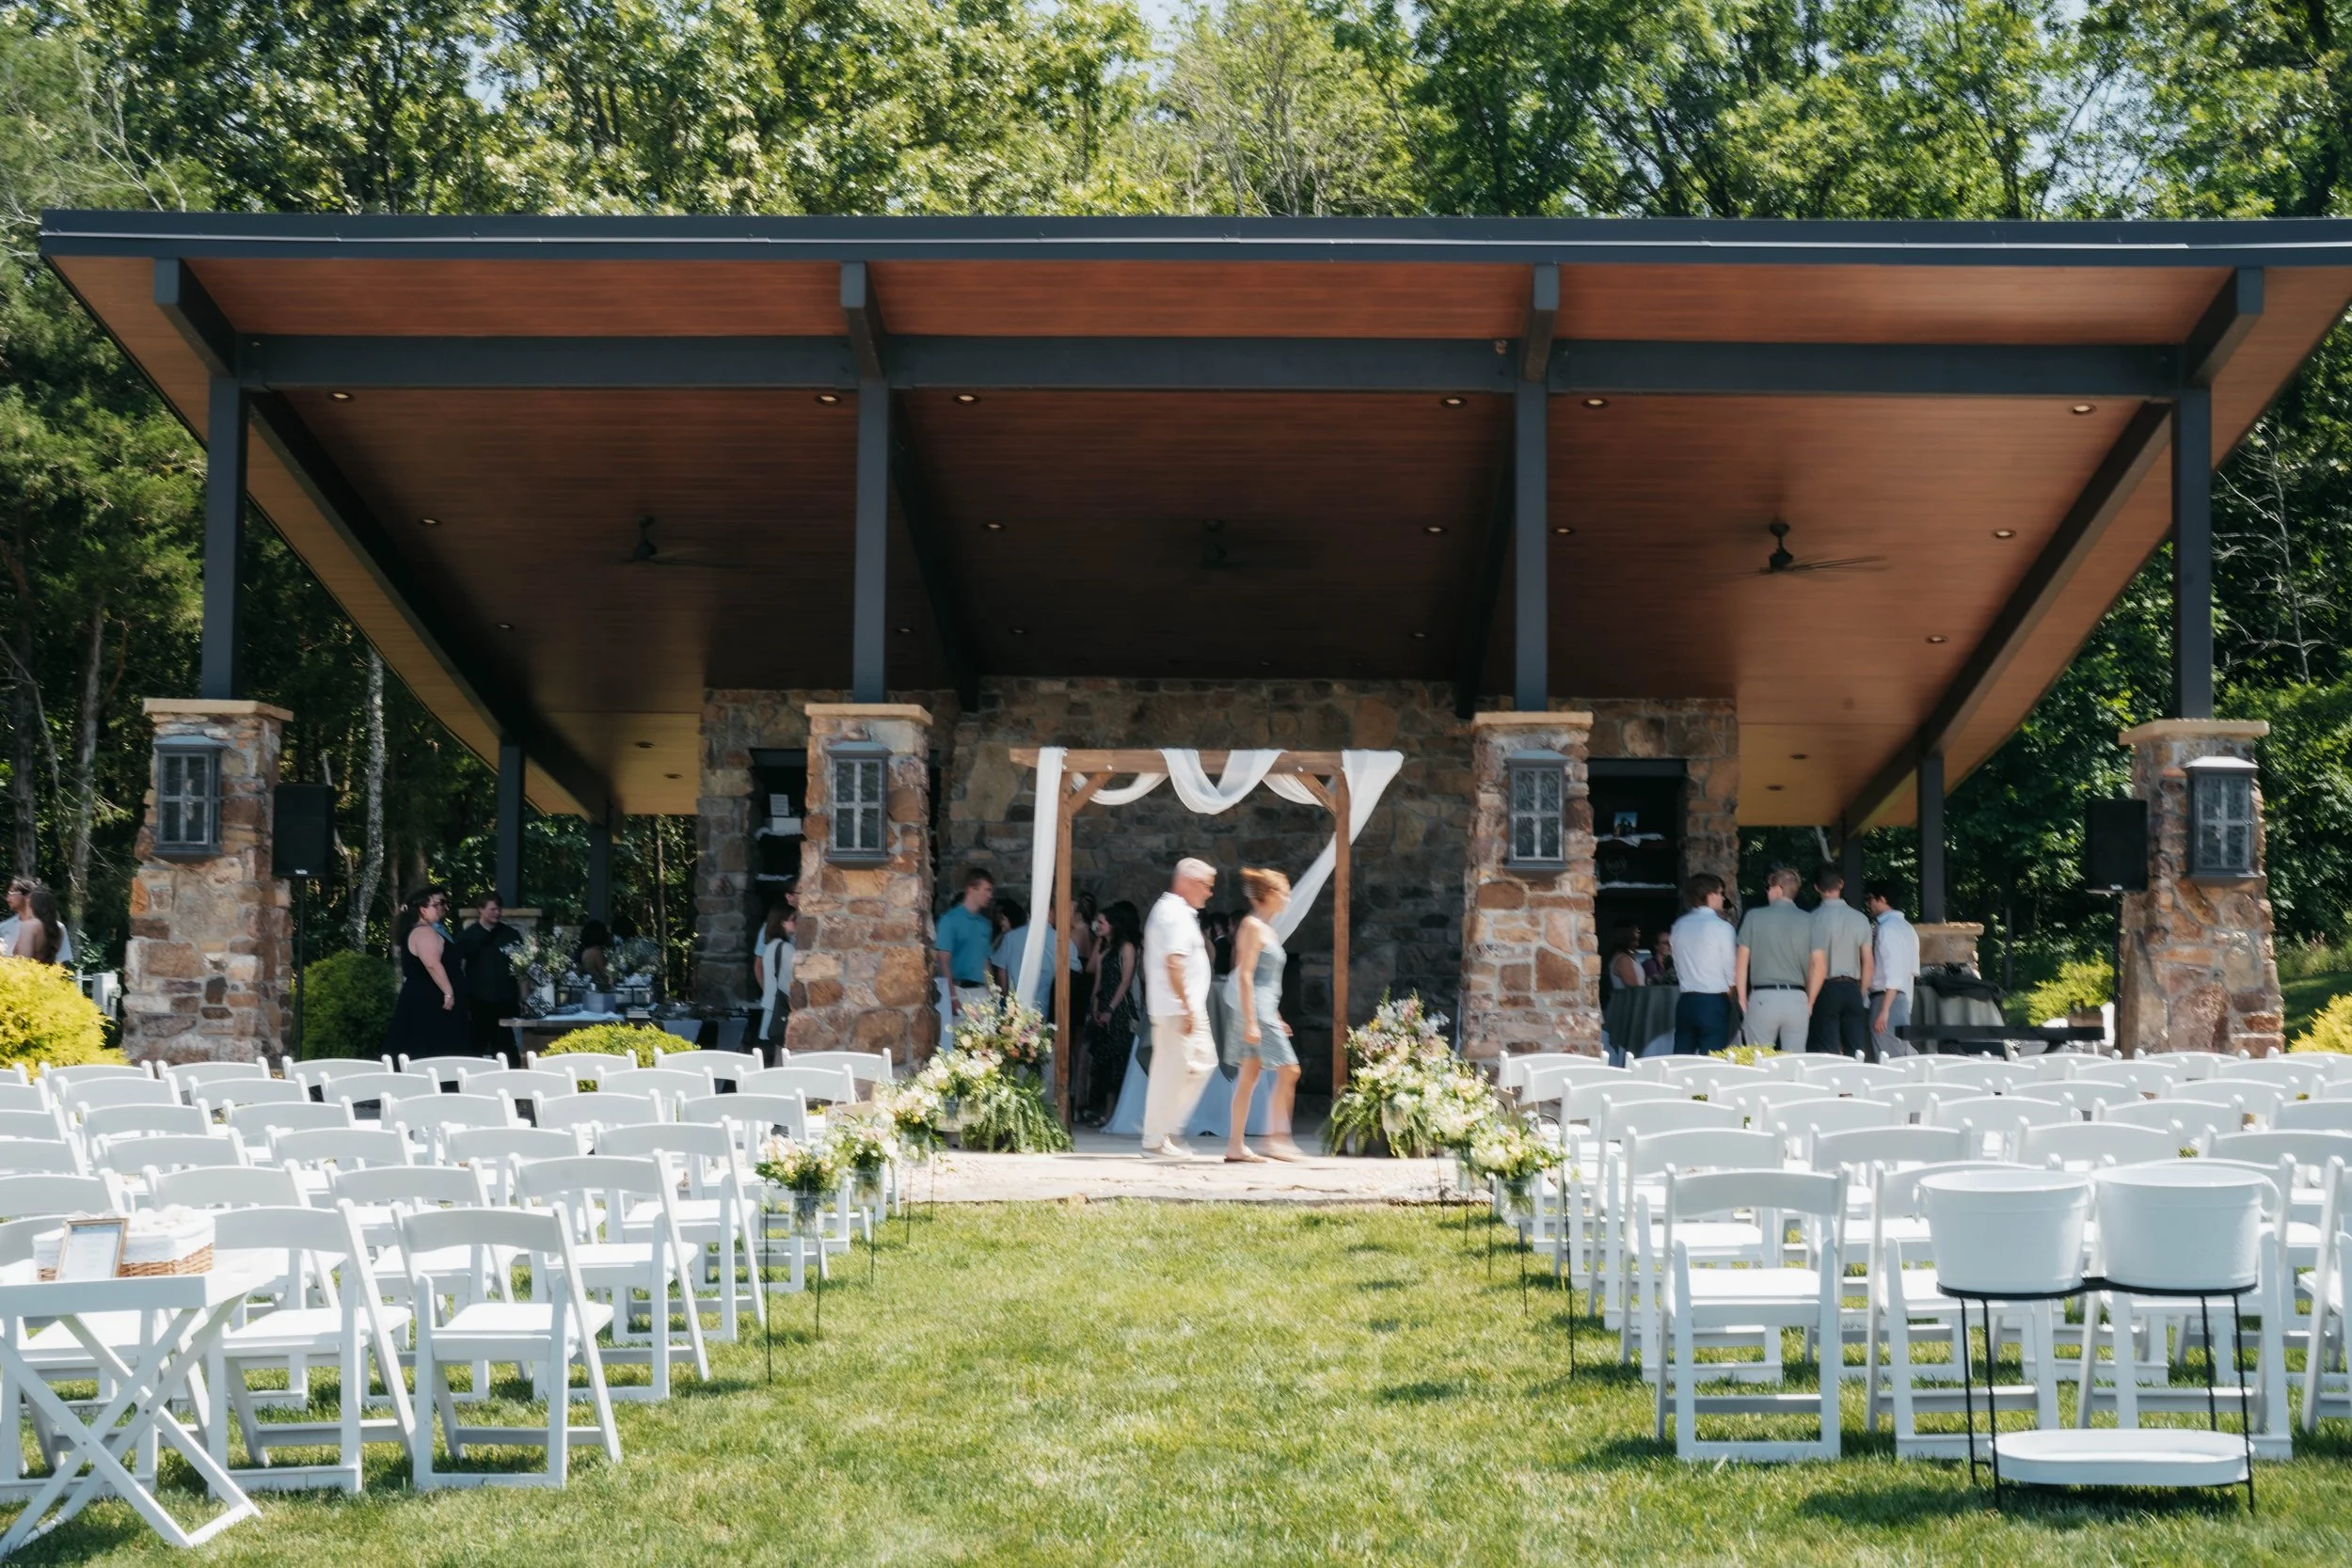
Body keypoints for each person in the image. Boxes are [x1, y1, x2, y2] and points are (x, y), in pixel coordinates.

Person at [1221, 868, 1305, 1164]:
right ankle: (1276, 1139)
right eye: (1283, 892)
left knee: (1249, 1077)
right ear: (1268, 894)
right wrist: (1254, 1021)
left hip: (1264, 1009)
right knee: (1290, 1070)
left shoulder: (1268, 929)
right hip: (1254, 1010)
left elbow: (1267, 980)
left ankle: (1236, 1146)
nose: (1287, 898)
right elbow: (1245, 975)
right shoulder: (1252, 926)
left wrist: (1277, 1014)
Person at [1139, 858, 1218, 1160]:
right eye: (1206, 886)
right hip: (1177, 1009)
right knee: (1172, 1073)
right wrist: (1186, 1007)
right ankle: (1156, 1138)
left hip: (1183, 1007)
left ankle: (1165, 1130)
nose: (1209, 893)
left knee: (1199, 1063)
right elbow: (1174, 962)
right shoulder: (1173, 914)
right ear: (1187, 881)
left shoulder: (1179, 912)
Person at [1736, 863, 1814, 1051]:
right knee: (1794, 1061)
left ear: (1778, 888)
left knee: (1758, 1059)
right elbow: (1818, 966)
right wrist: (1809, 1001)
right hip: (1797, 998)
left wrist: (1741, 997)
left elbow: (1741, 961)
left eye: (1769, 888)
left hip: (1764, 996)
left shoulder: (1754, 916)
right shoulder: (1810, 920)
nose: (1767, 892)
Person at [1806, 865, 1877, 1060]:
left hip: (1824, 988)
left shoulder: (1811, 919)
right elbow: (1868, 963)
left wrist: (1809, 997)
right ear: (1841, 884)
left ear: (1816, 888)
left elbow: (1810, 963)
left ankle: (1834, 1088)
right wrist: (1861, 992)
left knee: (1828, 1049)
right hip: (1852, 987)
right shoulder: (1860, 919)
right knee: (1856, 1049)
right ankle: (1854, 1087)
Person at [386, 887, 467, 1056]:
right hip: (431, 1000)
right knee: (431, 1048)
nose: (441, 908)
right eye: (436, 905)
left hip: (430, 998)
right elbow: (432, 964)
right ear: (423, 910)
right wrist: (448, 992)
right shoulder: (424, 932)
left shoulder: (424, 930)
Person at [1085, 901, 1143, 1126]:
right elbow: (1097, 977)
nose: (1097, 926)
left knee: (1117, 1060)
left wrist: (1110, 1009)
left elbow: (1125, 981)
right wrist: (1094, 1005)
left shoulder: (1127, 947)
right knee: (1102, 1061)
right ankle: (1104, 1110)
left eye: (1102, 922)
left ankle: (1113, 1112)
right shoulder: (1106, 949)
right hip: (1103, 1005)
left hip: (1120, 1011)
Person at [1667, 874, 1737, 1054]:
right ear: (1711, 895)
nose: (1723, 898)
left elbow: (1677, 961)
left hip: (1686, 999)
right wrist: (1730, 990)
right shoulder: (1722, 927)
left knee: (1682, 1057)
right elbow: (1730, 966)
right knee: (1712, 1058)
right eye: (1721, 893)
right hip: (1713, 999)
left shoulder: (1679, 926)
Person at [453, 895, 525, 1062]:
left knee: (507, 1049)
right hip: (478, 1001)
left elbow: (521, 968)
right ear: (480, 909)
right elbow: (458, 968)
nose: (497, 913)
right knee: (475, 1049)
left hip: (505, 1001)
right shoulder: (467, 937)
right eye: (493, 909)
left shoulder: (510, 935)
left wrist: (523, 997)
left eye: (499, 909)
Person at [1867, 879, 1920, 1060]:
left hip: (1885, 998)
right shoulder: (1908, 928)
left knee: (1887, 1056)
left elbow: (1894, 970)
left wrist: (1884, 1009)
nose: (1869, 904)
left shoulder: (1887, 929)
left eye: (1871, 899)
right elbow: (1910, 972)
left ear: (1882, 899)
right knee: (1900, 1054)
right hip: (1902, 998)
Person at [934, 867, 996, 1023]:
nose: (990, 895)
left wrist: (993, 992)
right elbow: (943, 960)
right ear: (971, 889)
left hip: (982, 993)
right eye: (987, 890)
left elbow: (985, 961)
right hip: (960, 990)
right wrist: (952, 996)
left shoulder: (985, 924)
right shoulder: (949, 920)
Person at [991, 897, 1057, 1012]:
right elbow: (1076, 971)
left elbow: (1002, 975)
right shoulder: (1059, 939)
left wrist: (1007, 1004)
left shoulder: (1010, 937)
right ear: (1049, 912)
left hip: (1015, 1007)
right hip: (1043, 1007)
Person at [1, 878, 71, 966]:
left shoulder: (57, 927)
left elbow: (62, 963)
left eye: (12, 893)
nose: (8, 898)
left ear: (28, 897)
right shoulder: (4, 927)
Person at [754, 905, 796, 1047]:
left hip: (771, 1006)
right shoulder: (786, 948)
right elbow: (789, 982)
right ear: (783, 922)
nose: (796, 923)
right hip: (780, 1010)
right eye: (793, 919)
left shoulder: (771, 946)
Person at [1602, 921, 1645, 1006]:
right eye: (1636, 932)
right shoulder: (1623, 960)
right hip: (1629, 1006)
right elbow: (1634, 989)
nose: (1639, 936)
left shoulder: (1627, 958)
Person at [574, 919, 612, 989]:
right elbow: (604, 973)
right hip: (598, 989)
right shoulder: (597, 952)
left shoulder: (585, 951)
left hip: (588, 987)